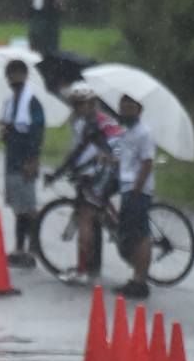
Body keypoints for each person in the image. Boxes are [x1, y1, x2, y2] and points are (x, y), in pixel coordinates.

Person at [44, 81, 121, 283]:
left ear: (91, 104)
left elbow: (85, 153)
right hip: (110, 166)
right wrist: (61, 173)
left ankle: (82, 271)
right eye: (74, 104)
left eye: (81, 104)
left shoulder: (96, 123)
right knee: (93, 204)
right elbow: (80, 154)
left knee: (86, 216)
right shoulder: (90, 121)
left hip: (112, 167)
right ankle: (112, 230)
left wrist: (59, 174)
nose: (76, 108)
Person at [0, 59, 45, 267]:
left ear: (25, 76)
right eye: (11, 75)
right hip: (12, 159)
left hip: (26, 160)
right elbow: (8, 128)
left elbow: (37, 131)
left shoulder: (32, 103)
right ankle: (19, 247)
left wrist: (33, 160)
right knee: (18, 207)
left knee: (29, 208)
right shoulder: (9, 103)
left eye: (18, 74)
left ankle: (32, 250)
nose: (14, 79)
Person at [113, 95, 156, 299]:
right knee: (132, 234)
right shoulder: (127, 133)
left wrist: (138, 186)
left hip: (136, 189)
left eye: (131, 107)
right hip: (127, 187)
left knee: (140, 235)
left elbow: (147, 162)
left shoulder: (144, 133)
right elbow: (124, 159)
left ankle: (140, 281)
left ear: (139, 109)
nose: (126, 111)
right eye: (124, 107)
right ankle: (136, 277)